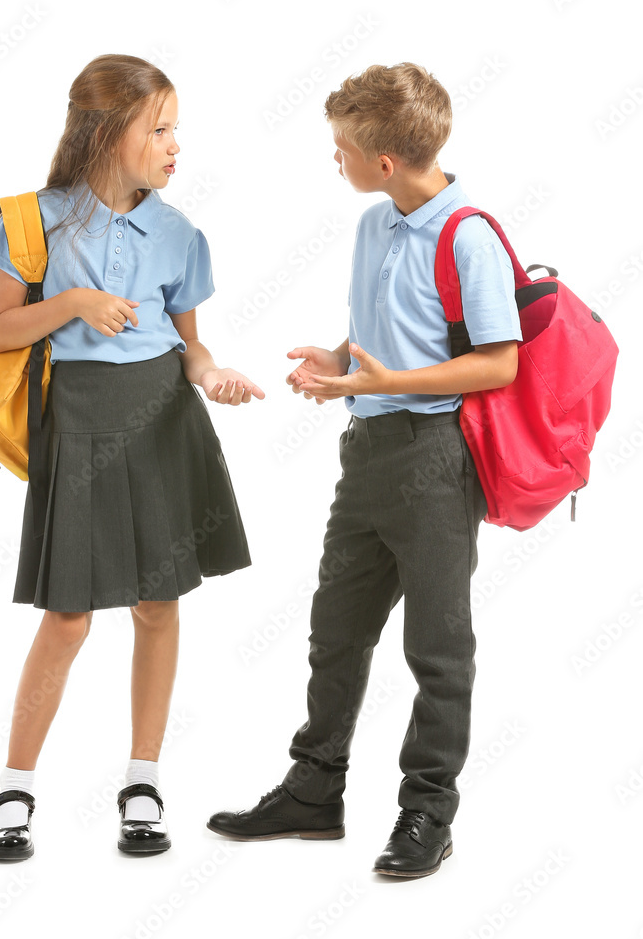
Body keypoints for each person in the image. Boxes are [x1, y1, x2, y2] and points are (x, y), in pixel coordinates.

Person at [207, 62, 521, 878]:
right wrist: (342, 359)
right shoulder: (377, 224)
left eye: (341, 149)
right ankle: (314, 792)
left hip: (434, 459)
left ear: (384, 161)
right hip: (367, 454)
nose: (335, 160)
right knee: (335, 630)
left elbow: (496, 365)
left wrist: (383, 383)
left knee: (437, 646)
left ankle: (427, 813)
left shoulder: (469, 234)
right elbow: (393, 328)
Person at [0, 53, 264, 861]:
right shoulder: (33, 220)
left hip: (164, 423)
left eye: (179, 130)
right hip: (80, 423)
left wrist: (212, 375)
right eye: (161, 129)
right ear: (107, 133)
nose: (177, 146)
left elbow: (189, 344)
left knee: (158, 606)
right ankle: (15, 785)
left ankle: (143, 780)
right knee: (68, 616)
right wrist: (69, 304)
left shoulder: (180, 232)